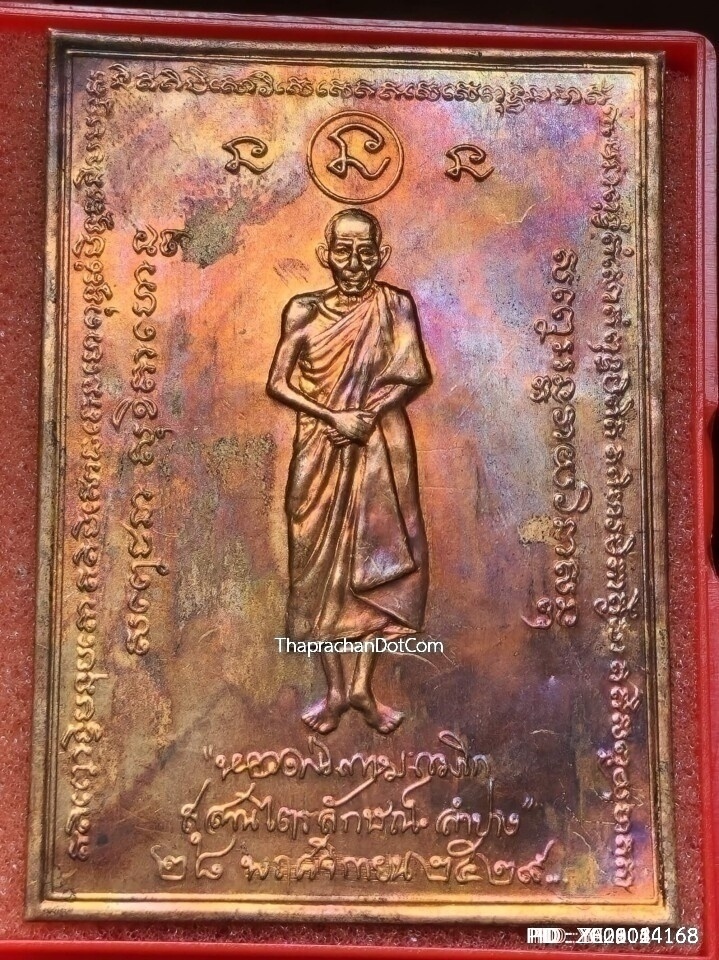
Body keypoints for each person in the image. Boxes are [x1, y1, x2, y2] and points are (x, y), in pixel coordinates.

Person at [266, 208, 431, 735]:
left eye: (365, 253)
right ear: (326, 254)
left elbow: (412, 374)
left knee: (375, 553)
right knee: (317, 568)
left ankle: (362, 688)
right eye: (343, 251)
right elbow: (277, 383)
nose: (354, 263)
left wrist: (365, 415)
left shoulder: (395, 305)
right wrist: (333, 416)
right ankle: (335, 691)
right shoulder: (303, 310)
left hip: (380, 443)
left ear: (381, 255)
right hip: (321, 443)